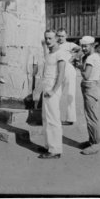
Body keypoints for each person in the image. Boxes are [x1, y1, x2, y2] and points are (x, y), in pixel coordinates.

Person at [38, 29, 66, 159]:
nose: (48, 41)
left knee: (53, 119)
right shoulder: (50, 53)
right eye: (46, 38)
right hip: (46, 88)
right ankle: (49, 145)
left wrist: (53, 90)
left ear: (56, 39)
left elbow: (61, 74)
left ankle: (55, 150)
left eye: (50, 38)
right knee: (46, 117)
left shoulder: (60, 54)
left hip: (53, 90)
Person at [76, 36, 100, 155]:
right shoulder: (97, 56)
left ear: (92, 45)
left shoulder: (90, 59)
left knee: (91, 118)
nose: (83, 48)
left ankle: (95, 145)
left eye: (85, 46)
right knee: (91, 115)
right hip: (93, 87)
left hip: (89, 88)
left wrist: (79, 67)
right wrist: (96, 78)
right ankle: (92, 140)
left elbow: (86, 75)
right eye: (82, 46)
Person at [56, 28, 80, 126]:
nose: (60, 38)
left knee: (70, 94)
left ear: (66, 36)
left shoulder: (70, 45)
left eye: (62, 36)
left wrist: (73, 58)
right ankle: (56, 117)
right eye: (59, 36)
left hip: (68, 71)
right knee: (57, 95)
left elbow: (81, 49)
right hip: (58, 71)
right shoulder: (55, 45)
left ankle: (70, 118)